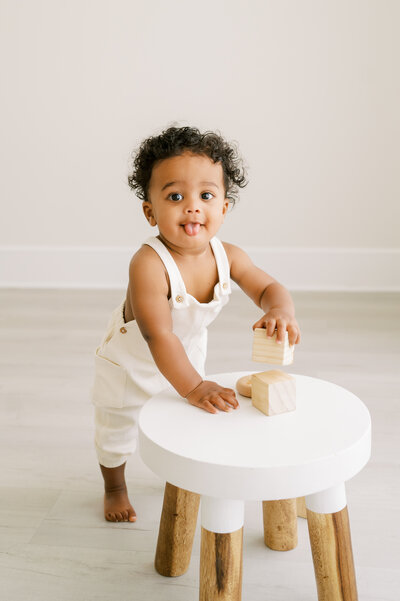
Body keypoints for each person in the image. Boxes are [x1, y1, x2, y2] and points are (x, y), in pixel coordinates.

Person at [91, 125, 301, 523]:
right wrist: (195, 386)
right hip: (132, 364)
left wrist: (281, 311)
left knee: (188, 422)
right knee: (116, 430)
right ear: (150, 211)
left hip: (186, 355)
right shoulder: (148, 263)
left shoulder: (230, 255)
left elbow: (269, 287)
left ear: (224, 207)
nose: (192, 207)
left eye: (206, 195)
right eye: (175, 196)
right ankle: (114, 485)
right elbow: (158, 334)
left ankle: (183, 474)